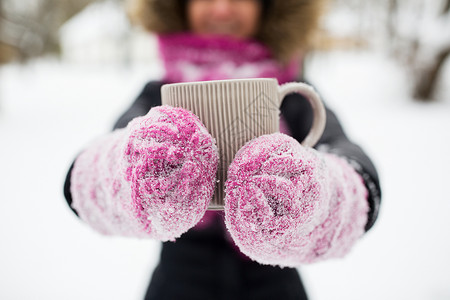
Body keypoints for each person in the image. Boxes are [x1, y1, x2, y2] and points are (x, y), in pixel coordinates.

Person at [63, 0, 382, 299]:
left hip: (275, 284)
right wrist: (134, 171)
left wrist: (314, 198)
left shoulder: (293, 96)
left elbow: (356, 174)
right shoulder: (156, 96)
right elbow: (84, 181)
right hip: (178, 281)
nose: (221, 8)